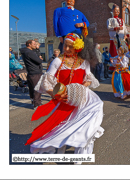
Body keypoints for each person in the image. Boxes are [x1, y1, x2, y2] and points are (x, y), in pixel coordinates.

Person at [25, 33, 104, 164]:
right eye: (65, 46)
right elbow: (46, 82)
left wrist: (81, 87)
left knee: (90, 116)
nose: (66, 49)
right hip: (63, 99)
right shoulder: (58, 61)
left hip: (81, 97)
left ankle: (80, 153)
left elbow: (88, 78)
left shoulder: (83, 62)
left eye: (70, 47)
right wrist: (56, 95)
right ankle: (60, 147)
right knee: (65, 126)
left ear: (77, 48)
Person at [20, 40, 43, 110]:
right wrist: (40, 58)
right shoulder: (29, 52)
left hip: (31, 73)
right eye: (34, 44)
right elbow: (39, 61)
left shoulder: (25, 52)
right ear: (29, 44)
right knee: (37, 89)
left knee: (32, 88)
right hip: (35, 73)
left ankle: (34, 101)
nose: (35, 45)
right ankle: (37, 105)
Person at [107, 4, 130, 71]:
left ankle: (124, 65)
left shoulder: (122, 20)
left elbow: (125, 29)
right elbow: (108, 27)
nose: (117, 11)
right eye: (115, 10)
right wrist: (117, 28)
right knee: (115, 53)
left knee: (124, 51)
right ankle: (114, 66)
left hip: (122, 39)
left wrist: (127, 36)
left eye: (118, 10)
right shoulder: (110, 19)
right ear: (112, 11)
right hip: (114, 39)